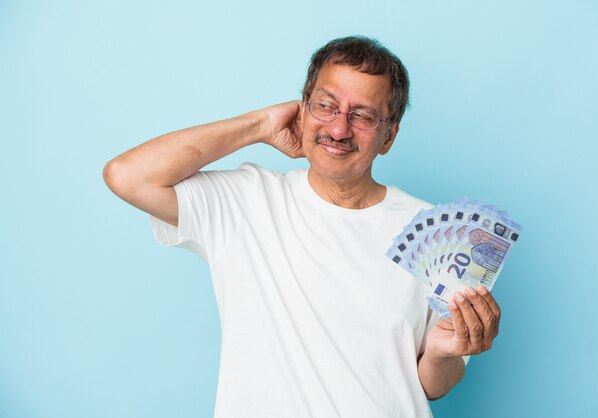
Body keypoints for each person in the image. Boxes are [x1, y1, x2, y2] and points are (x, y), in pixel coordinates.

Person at [103, 36, 501, 418]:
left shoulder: (438, 233)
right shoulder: (247, 202)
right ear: (303, 109)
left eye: (362, 115)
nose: (340, 128)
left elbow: (433, 386)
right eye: (325, 106)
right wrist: (259, 124)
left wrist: (442, 354)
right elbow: (127, 175)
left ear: (389, 136)